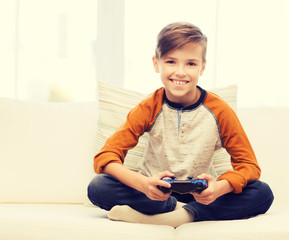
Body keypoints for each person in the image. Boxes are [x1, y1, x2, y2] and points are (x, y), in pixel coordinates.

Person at [87, 22, 274, 228]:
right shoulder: (149, 107)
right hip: (155, 194)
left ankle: (178, 216)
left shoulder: (220, 110)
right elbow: (105, 157)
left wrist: (219, 188)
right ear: (156, 63)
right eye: (171, 62)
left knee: (262, 193)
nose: (180, 72)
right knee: (98, 187)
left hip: (201, 195)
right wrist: (144, 184)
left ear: (202, 67)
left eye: (191, 64)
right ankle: (177, 210)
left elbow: (249, 166)